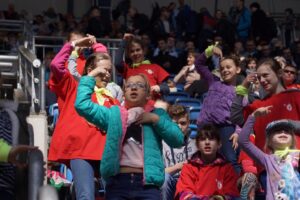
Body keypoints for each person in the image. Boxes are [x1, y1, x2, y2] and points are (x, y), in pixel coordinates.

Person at [75, 73, 184, 199]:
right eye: (129, 86)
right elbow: (82, 106)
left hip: (148, 187)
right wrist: (91, 77)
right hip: (118, 183)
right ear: (124, 93)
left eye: (139, 85)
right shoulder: (114, 114)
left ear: (148, 94)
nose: (133, 88)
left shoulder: (157, 114)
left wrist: (155, 120)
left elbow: (178, 139)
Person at [48, 35, 119, 200]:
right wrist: (73, 45)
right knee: (85, 196)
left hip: (107, 153)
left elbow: (103, 59)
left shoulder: (111, 97)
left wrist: (97, 46)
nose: (107, 74)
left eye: (109, 71)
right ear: (90, 71)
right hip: (81, 151)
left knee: (116, 196)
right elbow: (56, 65)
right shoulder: (74, 86)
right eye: (104, 70)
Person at [195, 45, 242, 174]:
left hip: (226, 128)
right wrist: (209, 51)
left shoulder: (240, 92)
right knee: (206, 161)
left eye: (228, 67)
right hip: (206, 127)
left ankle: (238, 190)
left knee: (230, 159)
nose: (225, 70)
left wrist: (237, 131)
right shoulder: (213, 81)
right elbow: (198, 64)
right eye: (222, 68)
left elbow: (241, 114)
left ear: (238, 69)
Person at [239, 106, 300, 199]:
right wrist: (253, 116)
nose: (283, 132)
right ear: (269, 141)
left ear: (293, 140)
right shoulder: (267, 159)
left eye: (287, 131)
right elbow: (243, 141)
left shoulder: (297, 155)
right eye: (277, 131)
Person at [175, 124, 240, 199]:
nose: (207, 142)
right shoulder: (189, 167)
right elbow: (184, 194)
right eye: (203, 139)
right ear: (197, 145)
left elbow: (232, 194)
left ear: (219, 144)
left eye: (211, 139)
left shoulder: (227, 168)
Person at [115, 33, 170, 100]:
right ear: (129, 55)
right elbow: (117, 63)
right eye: (132, 51)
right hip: (133, 105)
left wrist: (159, 88)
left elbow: (166, 88)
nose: (135, 53)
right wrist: (124, 42)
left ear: (144, 51)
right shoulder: (127, 69)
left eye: (138, 50)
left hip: (152, 105)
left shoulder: (155, 67)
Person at [161, 105, 197, 200]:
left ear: (188, 123)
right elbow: (158, 173)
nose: (179, 127)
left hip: (188, 184)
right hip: (169, 184)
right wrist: (178, 167)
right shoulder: (161, 144)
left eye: (183, 123)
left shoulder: (195, 145)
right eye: (175, 124)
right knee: (165, 178)